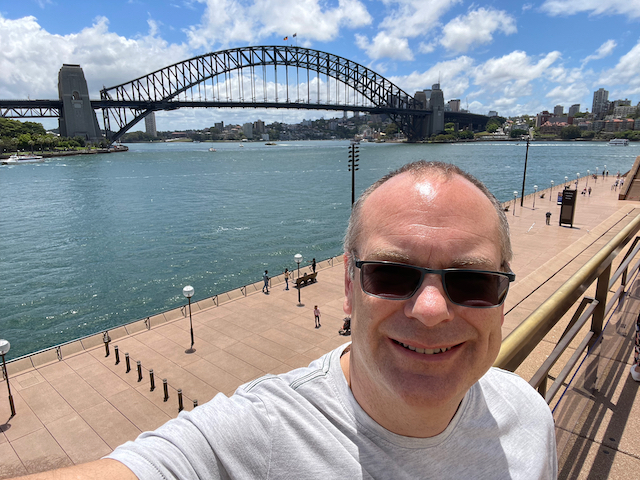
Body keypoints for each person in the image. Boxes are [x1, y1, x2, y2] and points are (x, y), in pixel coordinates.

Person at [21, 161, 557, 479]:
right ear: (349, 286)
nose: (432, 309)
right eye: (392, 275)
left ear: (503, 293)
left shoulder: (530, 417)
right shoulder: (259, 436)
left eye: (472, 281)